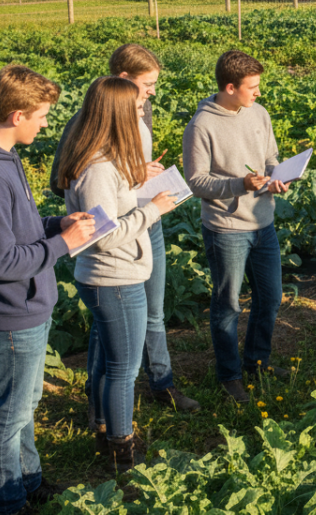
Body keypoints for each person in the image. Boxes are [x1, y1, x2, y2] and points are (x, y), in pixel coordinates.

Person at [0, 64, 97, 515]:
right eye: (42, 116)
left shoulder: (4, 159)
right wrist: (63, 244)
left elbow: (18, 229)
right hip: (9, 312)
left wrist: (56, 224)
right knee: (8, 414)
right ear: (17, 116)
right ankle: (8, 503)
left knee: (24, 404)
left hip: (26, 306)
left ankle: (28, 480)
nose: (46, 124)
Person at [50, 44, 200, 416]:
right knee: (114, 318)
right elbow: (64, 180)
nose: (151, 94)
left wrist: (137, 176)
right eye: (146, 85)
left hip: (144, 219)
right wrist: (125, 179)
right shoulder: (89, 120)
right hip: (121, 232)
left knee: (151, 311)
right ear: (123, 80)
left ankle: (157, 383)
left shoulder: (140, 111)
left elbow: (125, 165)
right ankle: (103, 400)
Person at [58, 77, 178, 472]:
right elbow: (103, 237)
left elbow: (110, 208)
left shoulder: (105, 162)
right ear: (117, 114)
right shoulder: (97, 170)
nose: (142, 113)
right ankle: (121, 451)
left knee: (112, 363)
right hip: (114, 278)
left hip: (115, 276)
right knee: (123, 371)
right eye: (137, 108)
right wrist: (153, 209)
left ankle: (105, 430)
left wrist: (137, 180)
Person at [183, 50, 290, 404]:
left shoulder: (259, 113)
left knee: (270, 297)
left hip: (263, 222)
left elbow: (270, 158)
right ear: (230, 87)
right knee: (228, 304)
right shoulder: (202, 125)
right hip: (227, 228)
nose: (258, 92)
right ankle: (229, 375)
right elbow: (196, 182)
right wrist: (239, 184)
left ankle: (257, 362)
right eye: (252, 87)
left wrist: (277, 176)